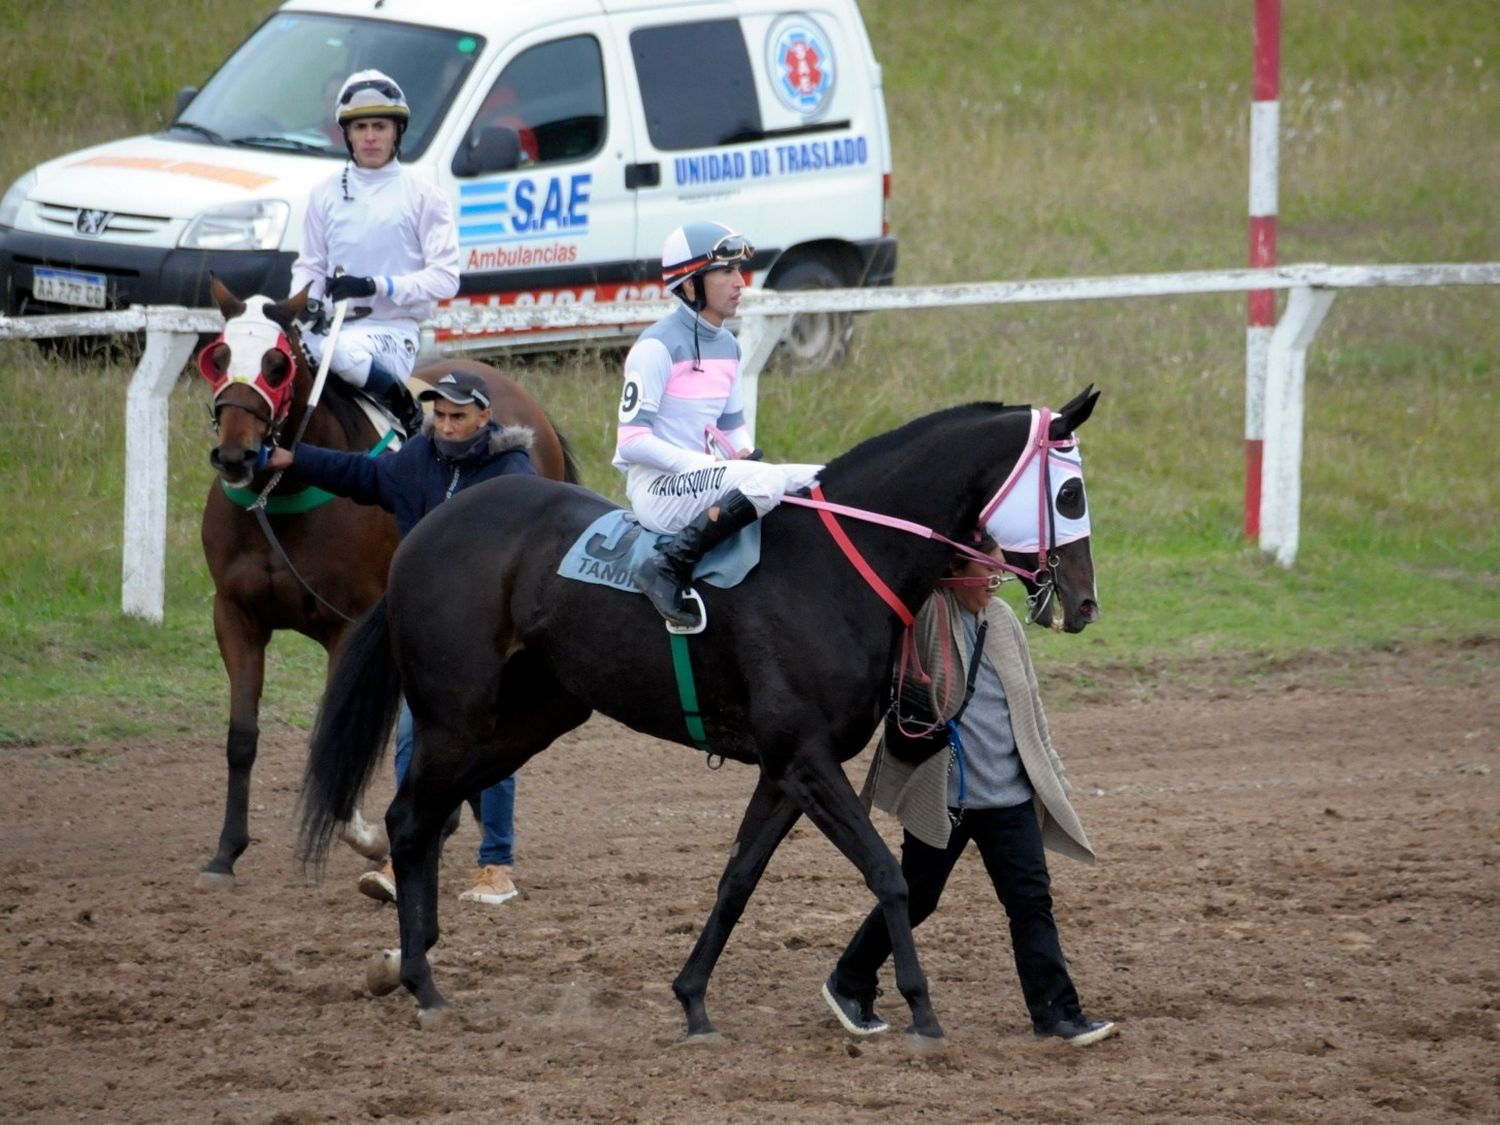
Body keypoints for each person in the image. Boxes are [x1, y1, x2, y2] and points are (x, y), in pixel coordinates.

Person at [820, 536, 1118, 1047]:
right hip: (947, 800)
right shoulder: (928, 614)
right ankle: (849, 982)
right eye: (985, 574)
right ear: (953, 575)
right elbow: (908, 579)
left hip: (1009, 797)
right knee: (916, 899)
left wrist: (1051, 771)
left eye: (1000, 573)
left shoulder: (1002, 622)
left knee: (1031, 902)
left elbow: (1030, 705)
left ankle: (1057, 1014)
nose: (995, 584)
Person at [266, 369, 534, 906]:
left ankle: (496, 865)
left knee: (490, 751)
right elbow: (361, 475)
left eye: (459, 416)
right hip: (430, 635)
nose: (447, 426)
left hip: (488, 636)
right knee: (415, 743)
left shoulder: (513, 474)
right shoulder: (418, 459)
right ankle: (407, 855)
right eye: (439, 415)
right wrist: (292, 460)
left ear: (485, 417)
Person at [614, 221, 822, 628]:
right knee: (764, 483)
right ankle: (667, 567)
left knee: (819, 477)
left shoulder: (728, 346)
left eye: (739, 271)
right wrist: (702, 467)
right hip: (657, 489)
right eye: (725, 272)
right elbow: (633, 442)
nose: (739, 282)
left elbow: (732, 429)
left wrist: (742, 454)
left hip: (703, 481)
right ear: (691, 285)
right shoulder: (655, 347)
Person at [289, 69, 459, 436]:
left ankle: (407, 411)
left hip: (393, 330)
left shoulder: (425, 195)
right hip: (330, 327)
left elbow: (446, 278)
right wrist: (305, 302)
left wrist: (374, 285)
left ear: (397, 130)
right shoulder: (324, 194)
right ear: (346, 133)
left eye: (379, 126)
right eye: (360, 127)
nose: (369, 137)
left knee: (338, 354)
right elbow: (311, 266)